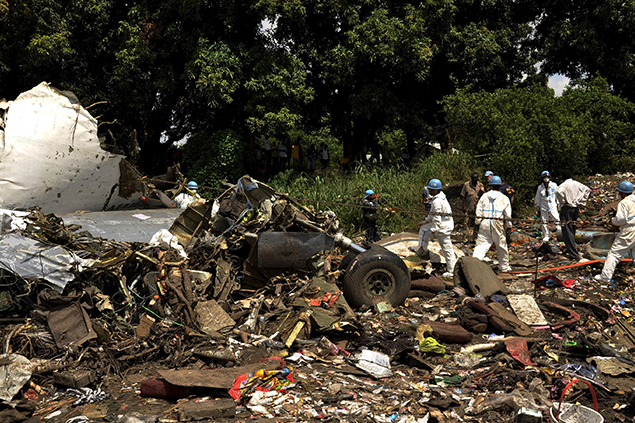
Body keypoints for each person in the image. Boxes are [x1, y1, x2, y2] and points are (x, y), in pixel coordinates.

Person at [410, 179, 456, 278]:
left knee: (446, 247)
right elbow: (432, 215)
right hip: (446, 223)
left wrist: (434, 229)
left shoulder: (437, 201)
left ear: (434, 190)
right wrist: (426, 221)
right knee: (446, 247)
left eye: (430, 189)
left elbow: (437, 217)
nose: (429, 191)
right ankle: (423, 248)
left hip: (442, 226)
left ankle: (422, 250)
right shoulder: (441, 197)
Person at [595, 181, 635, 282]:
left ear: (623, 193)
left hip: (629, 230)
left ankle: (605, 277)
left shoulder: (624, 203)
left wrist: (613, 221)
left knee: (614, 254)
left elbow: (621, 220)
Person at [473, 176, 513, 273]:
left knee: (481, 245)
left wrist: (477, 222)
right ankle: (504, 267)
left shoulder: (484, 196)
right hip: (497, 222)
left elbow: (478, 210)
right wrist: (509, 226)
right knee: (501, 245)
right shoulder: (504, 198)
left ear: (490, 186)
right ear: (500, 186)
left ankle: (473, 266)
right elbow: (508, 215)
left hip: (485, 222)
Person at [555, 170, 591, 260]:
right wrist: (581, 200)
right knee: (572, 229)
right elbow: (588, 190)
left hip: (567, 208)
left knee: (567, 231)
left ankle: (573, 254)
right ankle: (572, 249)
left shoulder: (563, 186)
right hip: (575, 208)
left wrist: (563, 201)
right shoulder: (577, 184)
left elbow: (558, 192)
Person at [534, 170, 561, 242]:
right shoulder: (540, 188)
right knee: (544, 222)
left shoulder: (554, 185)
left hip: (552, 205)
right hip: (543, 206)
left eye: (547, 177)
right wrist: (537, 206)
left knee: (557, 219)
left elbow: (557, 195)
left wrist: (558, 204)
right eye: (544, 177)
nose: (546, 178)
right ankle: (546, 235)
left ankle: (560, 234)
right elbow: (538, 198)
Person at [460, 172, 485, 242]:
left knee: (477, 224)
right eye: (473, 178)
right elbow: (462, 196)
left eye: (476, 179)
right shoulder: (466, 185)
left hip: (477, 208)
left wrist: (482, 191)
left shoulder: (480, 185)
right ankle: (466, 238)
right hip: (468, 207)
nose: (474, 180)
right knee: (466, 223)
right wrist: (464, 206)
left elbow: (483, 196)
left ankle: (475, 238)